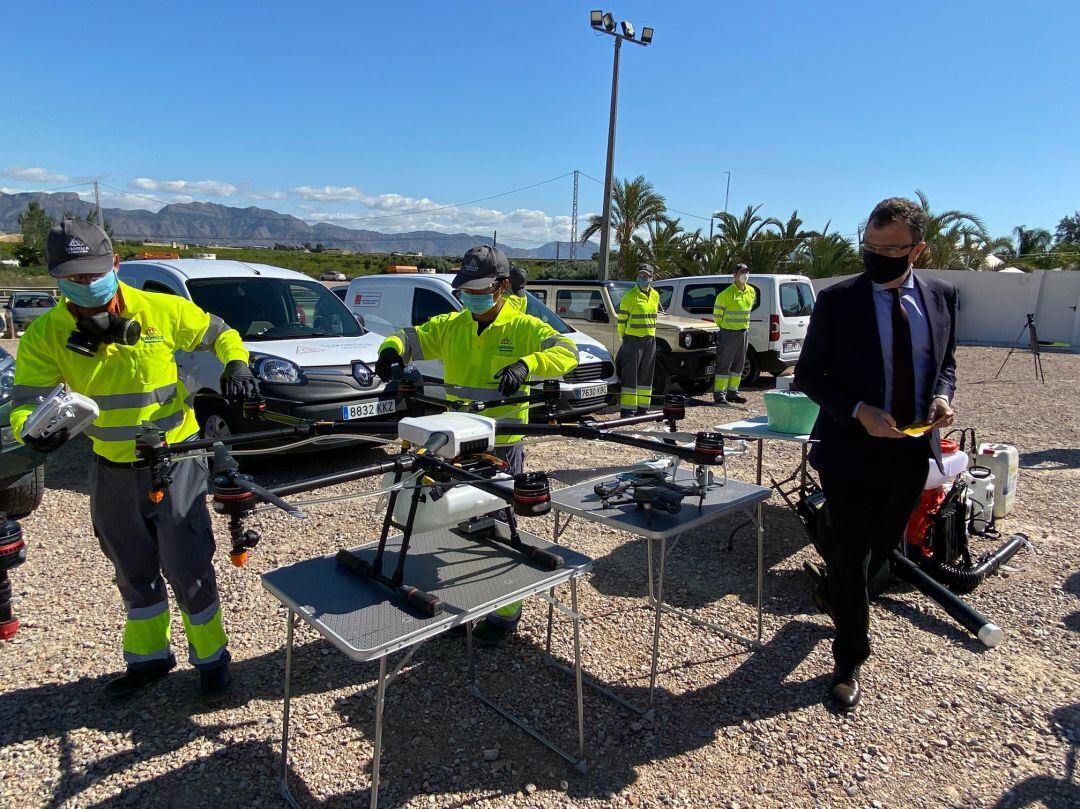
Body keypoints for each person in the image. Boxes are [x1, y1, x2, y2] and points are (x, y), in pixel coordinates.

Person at [10, 220, 257, 702]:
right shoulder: (46, 334)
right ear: (56, 277)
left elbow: (221, 334)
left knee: (189, 567)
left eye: (93, 274)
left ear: (115, 266)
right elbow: (25, 401)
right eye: (73, 277)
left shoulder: (160, 311)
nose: (85, 285)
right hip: (111, 471)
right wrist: (31, 430)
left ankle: (211, 662)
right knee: (131, 568)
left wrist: (237, 363)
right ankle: (149, 661)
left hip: (177, 462)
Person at [793, 197, 958, 712]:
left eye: (891, 248)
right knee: (850, 551)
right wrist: (859, 410)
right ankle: (849, 658)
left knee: (882, 548)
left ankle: (838, 595)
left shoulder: (943, 296)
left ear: (918, 250)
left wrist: (942, 396)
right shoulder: (838, 300)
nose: (878, 255)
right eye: (870, 245)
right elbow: (807, 376)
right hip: (850, 450)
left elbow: (945, 362)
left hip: (910, 452)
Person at [373, 245, 578, 646]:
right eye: (465, 290)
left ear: (502, 287)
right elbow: (408, 336)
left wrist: (527, 365)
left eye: (479, 289)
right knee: (459, 527)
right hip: (456, 443)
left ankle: (504, 613)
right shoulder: (454, 325)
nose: (471, 297)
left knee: (498, 527)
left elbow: (567, 351)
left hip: (502, 445)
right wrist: (389, 352)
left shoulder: (524, 327)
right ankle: (462, 603)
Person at [617, 264, 660, 416]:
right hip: (632, 339)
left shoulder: (655, 295)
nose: (643, 278)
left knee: (646, 375)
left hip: (649, 339)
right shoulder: (630, 296)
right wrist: (625, 337)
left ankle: (643, 407)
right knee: (630, 375)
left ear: (651, 277)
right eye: (640, 275)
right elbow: (621, 321)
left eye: (646, 276)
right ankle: (628, 410)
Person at [712, 263, 754, 403]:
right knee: (724, 364)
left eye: (746, 271)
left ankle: (733, 392)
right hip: (728, 332)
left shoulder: (751, 291)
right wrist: (726, 328)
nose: (744, 275)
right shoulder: (725, 295)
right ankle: (719, 394)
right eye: (741, 272)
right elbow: (717, 316)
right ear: (734, 275)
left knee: (739, 364)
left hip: (743, 332)